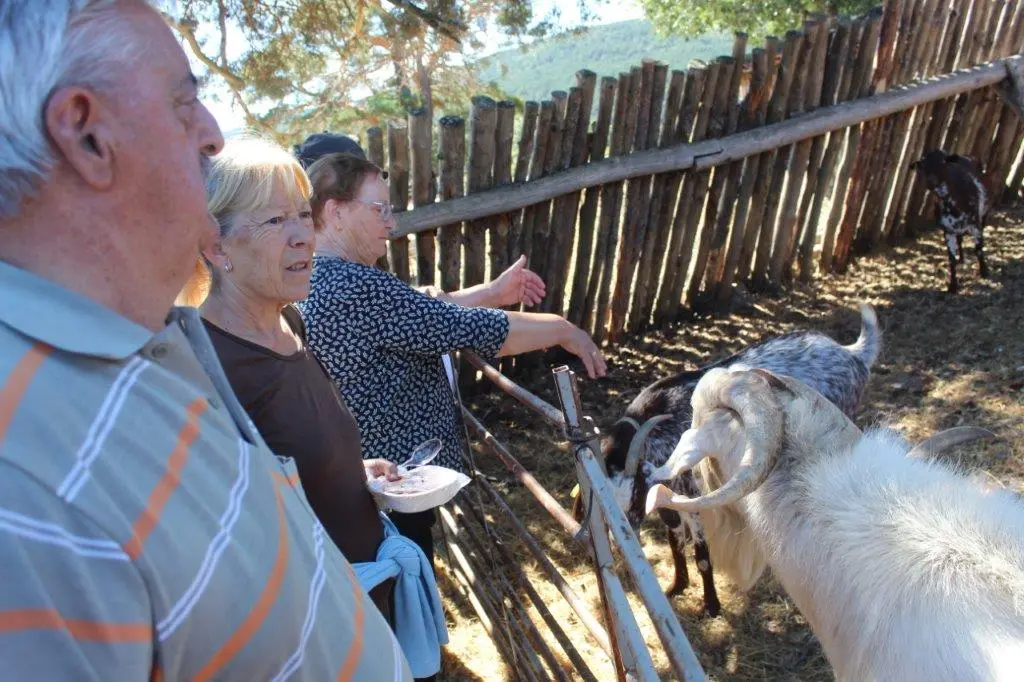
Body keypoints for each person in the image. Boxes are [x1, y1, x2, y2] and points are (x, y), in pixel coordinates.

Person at [0, 2, 410, 680]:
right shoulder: (25, 483)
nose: (214, 136)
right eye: (184, 102)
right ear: (87, 135)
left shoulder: (152, 349)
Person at [179, 136, 447, 679]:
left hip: (364, 603)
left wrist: (354, 473)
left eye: (303, 214)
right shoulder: (206, 367)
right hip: (313, 636)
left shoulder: (290, 324)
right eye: (275, 220)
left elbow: (289, 462)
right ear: (216, 246)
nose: (304, 233)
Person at [297, 149, 608, 565]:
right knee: (405, 587)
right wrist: (562, 329)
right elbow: (467, 328)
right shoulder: (354, 285)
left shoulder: (320, 278)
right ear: (336, 212)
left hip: (365, 488)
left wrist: (493, 293)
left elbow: (418, 315)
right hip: (388, 494)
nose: (391, 223)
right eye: (379, 209)